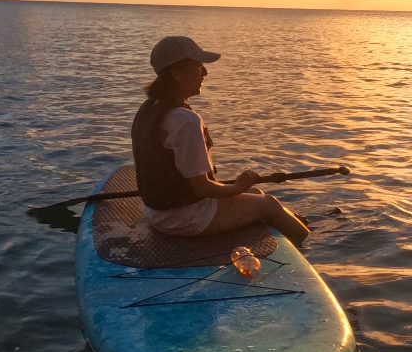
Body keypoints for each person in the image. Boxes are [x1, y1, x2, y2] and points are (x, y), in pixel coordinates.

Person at [132, 35, 309, 246]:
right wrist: (238, 186)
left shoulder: (149, 108)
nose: (205, 72)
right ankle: (307, 243)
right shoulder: (185, 120)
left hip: (157, 213)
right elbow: (202, 188)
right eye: (198, 66)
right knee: (269, 204)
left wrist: (242, 189)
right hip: (186, 219)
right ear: (178, 74)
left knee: (256, 193)